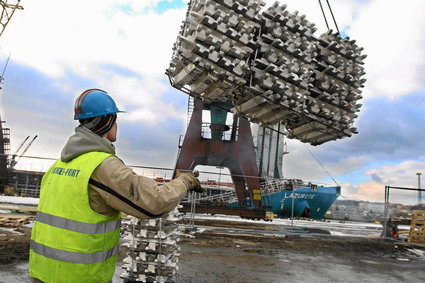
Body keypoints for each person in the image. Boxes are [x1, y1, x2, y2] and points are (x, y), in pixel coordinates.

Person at [29, 88, 200, 283]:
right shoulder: (102, 165)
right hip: (80, 277)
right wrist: (185, 181)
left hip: (43, 272)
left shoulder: (59, 165)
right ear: (106, 121)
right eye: (115, 119)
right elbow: (155, 202)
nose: (117, 124)